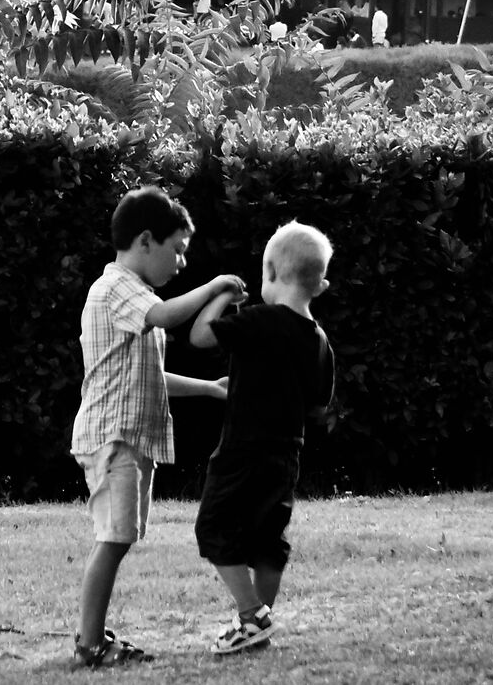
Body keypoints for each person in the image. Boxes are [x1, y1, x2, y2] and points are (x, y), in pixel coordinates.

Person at [70, 188, 241, 667]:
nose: (182, 263)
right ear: (145, 240)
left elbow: (149, 376)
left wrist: (211, 388)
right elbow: (166, 314)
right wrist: (215, 287)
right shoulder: (118, 287)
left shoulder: (133, 297)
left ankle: (91, 636)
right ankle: (89, 644)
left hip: (126, 437)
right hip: (113, 438)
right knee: (114, 537)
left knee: (119, 536)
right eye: (179, 250)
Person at [186, 221, 338, 655]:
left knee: (214, 526)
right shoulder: (320, 342)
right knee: (268, 538)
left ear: (270, 272)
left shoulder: (260, 321)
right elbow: (317, 406)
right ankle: (256, 625)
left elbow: (200, 336)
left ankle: (252, 614)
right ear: (320, 285)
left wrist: (221, 296)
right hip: (286, 453)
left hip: (242, 448)